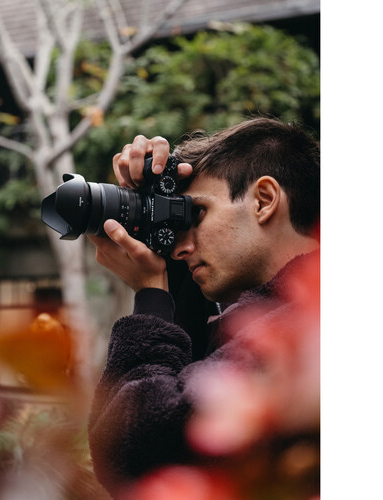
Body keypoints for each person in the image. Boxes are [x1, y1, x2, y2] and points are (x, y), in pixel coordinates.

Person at [87, 117, 320, 498]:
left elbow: (136, 451)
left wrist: (151, 296)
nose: (180, 248)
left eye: (196, 214)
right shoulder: (263, 313)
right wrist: (151, 203)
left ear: (263, 200)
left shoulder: (306, 333)